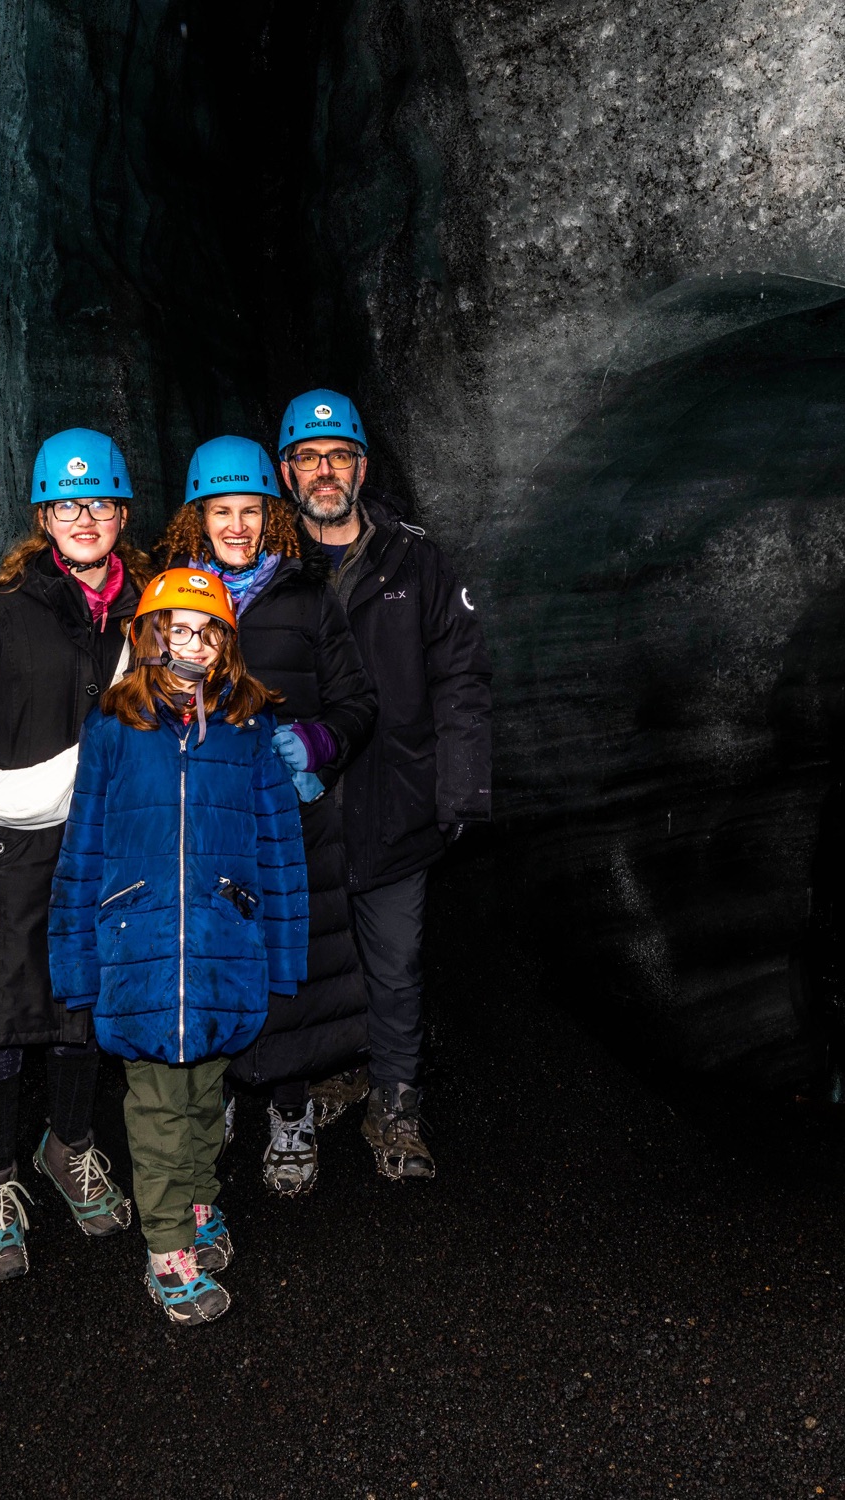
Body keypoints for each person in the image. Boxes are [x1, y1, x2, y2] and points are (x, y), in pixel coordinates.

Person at [47, 567, 308, 1323]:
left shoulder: (248, 730)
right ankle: (165, 1248)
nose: (190, 644)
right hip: (141, 948)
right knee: (159, 1105)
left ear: (226, 644)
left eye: (207, 631)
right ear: (148, 637)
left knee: (202, 1099)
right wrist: (77, 963)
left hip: (226, 948)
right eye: (175, 629)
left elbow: (280, 845)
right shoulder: (114, 726)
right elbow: (84, 845)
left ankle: (198, 1201)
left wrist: (284, 955)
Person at [0, 428, 148, 1282]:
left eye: (99, 503)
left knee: (82, 1013)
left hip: (107, 847)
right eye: (66, 503)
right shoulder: (1, 611)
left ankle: (70, 1147)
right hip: (9, 855)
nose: (83, 517)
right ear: (43, 516)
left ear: (121, 512)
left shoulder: (150, 608)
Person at [273, 389, 493, 1180]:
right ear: (287, 471)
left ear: (361, 467)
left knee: (394, 958)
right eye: (309, 458)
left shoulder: (416, 559)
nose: (324, 472)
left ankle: (396, 1103)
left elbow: (460, 679)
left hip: (394, 794)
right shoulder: (262, 565)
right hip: (299, 805)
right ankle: (337, 1069)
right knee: (317, 956)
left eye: (338, 457)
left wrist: (460, 788)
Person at [154, 435, 377, 1196]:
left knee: (292, 973)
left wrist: (313, 744)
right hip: (204, 823)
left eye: (252, 511)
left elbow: (358, 704)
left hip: (290, 822)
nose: (239, 526)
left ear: (271, 517)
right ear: (199, 519)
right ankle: (214, 1096)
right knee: (211, 964)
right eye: (223, 512)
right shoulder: (172, 599)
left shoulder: (308, 599)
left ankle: (290, 1112)